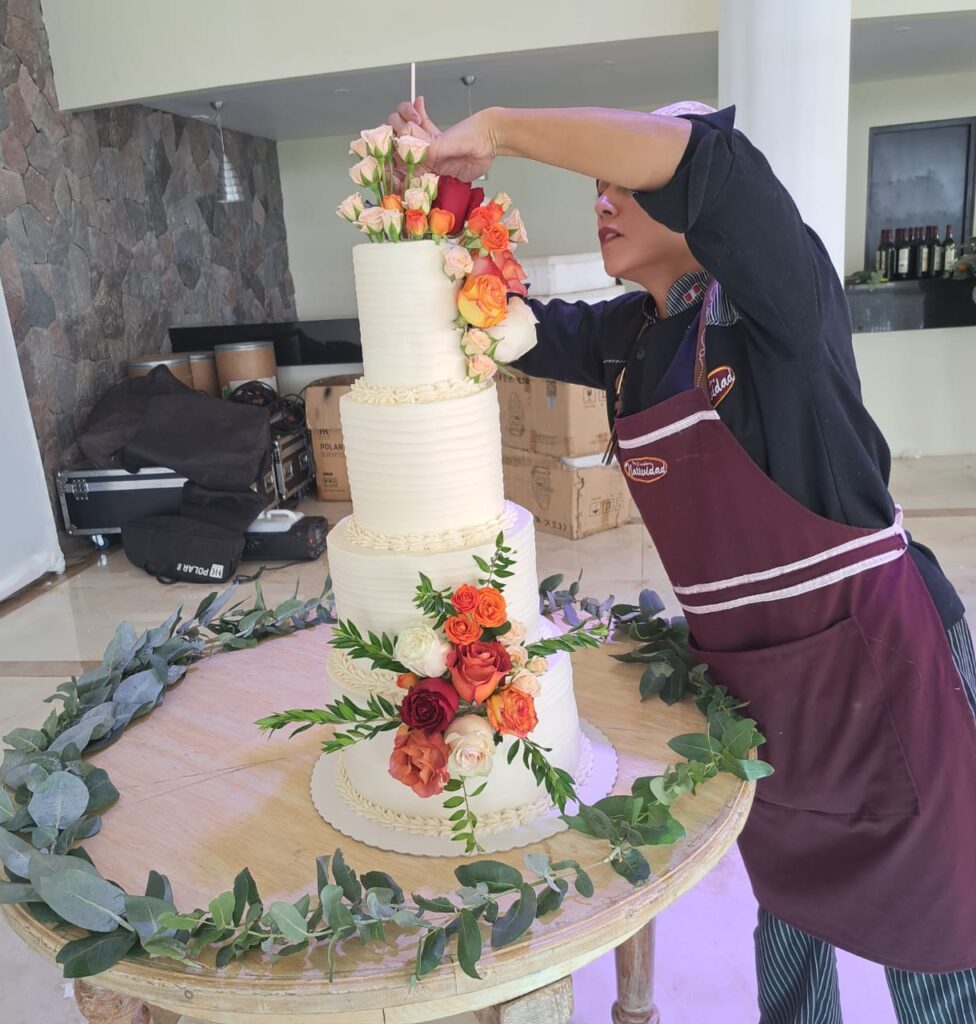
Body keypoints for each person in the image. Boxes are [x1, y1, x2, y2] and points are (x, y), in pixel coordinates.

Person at [389, 97, 976, 1024]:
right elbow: (501, 314)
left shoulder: (782, 294)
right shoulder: (632, 341)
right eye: (599, 185)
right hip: (763, 697)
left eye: (625, 181)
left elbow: (705, 159)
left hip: (884, 671)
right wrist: (439, 188)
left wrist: (497, 125)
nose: (603, 200)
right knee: (787, 922)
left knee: (941, 935)